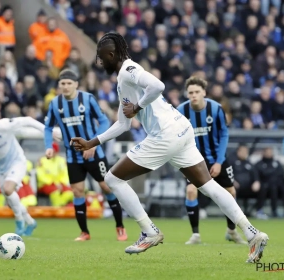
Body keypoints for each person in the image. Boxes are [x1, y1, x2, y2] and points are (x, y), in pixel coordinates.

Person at [70, 32, 268, 263]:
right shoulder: (123, 80)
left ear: (112, 55)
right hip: (181, 130)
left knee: (113, 179)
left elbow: (158, 85)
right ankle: (252, 234)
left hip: (165, 135)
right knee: (208, 186)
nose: (99, 61)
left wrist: (138, 106)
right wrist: (92, 142)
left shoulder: (128, 69)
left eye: (101, 56)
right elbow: (123, 124)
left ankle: (149, 231)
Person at [44, 69, 128, 242]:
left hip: (94, 153)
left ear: (76, 84)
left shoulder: (87, 99)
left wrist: (93, 143)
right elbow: (48, 127)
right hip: (72, 155)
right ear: (59, 85)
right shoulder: (55, 104)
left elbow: (104, 120)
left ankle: (120, 226)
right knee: (77, 191)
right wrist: (48, 146)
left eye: (69, 83)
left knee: (106, 187)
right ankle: (84, 232)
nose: (66, 87)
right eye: (63, 84)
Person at [0, 102, 62, 236]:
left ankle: (19, 221)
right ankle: (30, 222)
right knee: (11, 200)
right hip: (0, 169)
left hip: (17, 162)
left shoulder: (2, 125)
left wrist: (49, 131)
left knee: (8, 189)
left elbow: (28, 120)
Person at [177, 76, 246, 245]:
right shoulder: (180, 111)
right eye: (190, 92)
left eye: (197, 92)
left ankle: (231, 231)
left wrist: (219, 162)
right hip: (194, 160)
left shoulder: (216, 109)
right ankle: (195, 235)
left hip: (217, 158)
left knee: (230, 193)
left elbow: (224, 134)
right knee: (191, 191)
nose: (193, 95)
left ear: (204, 93)